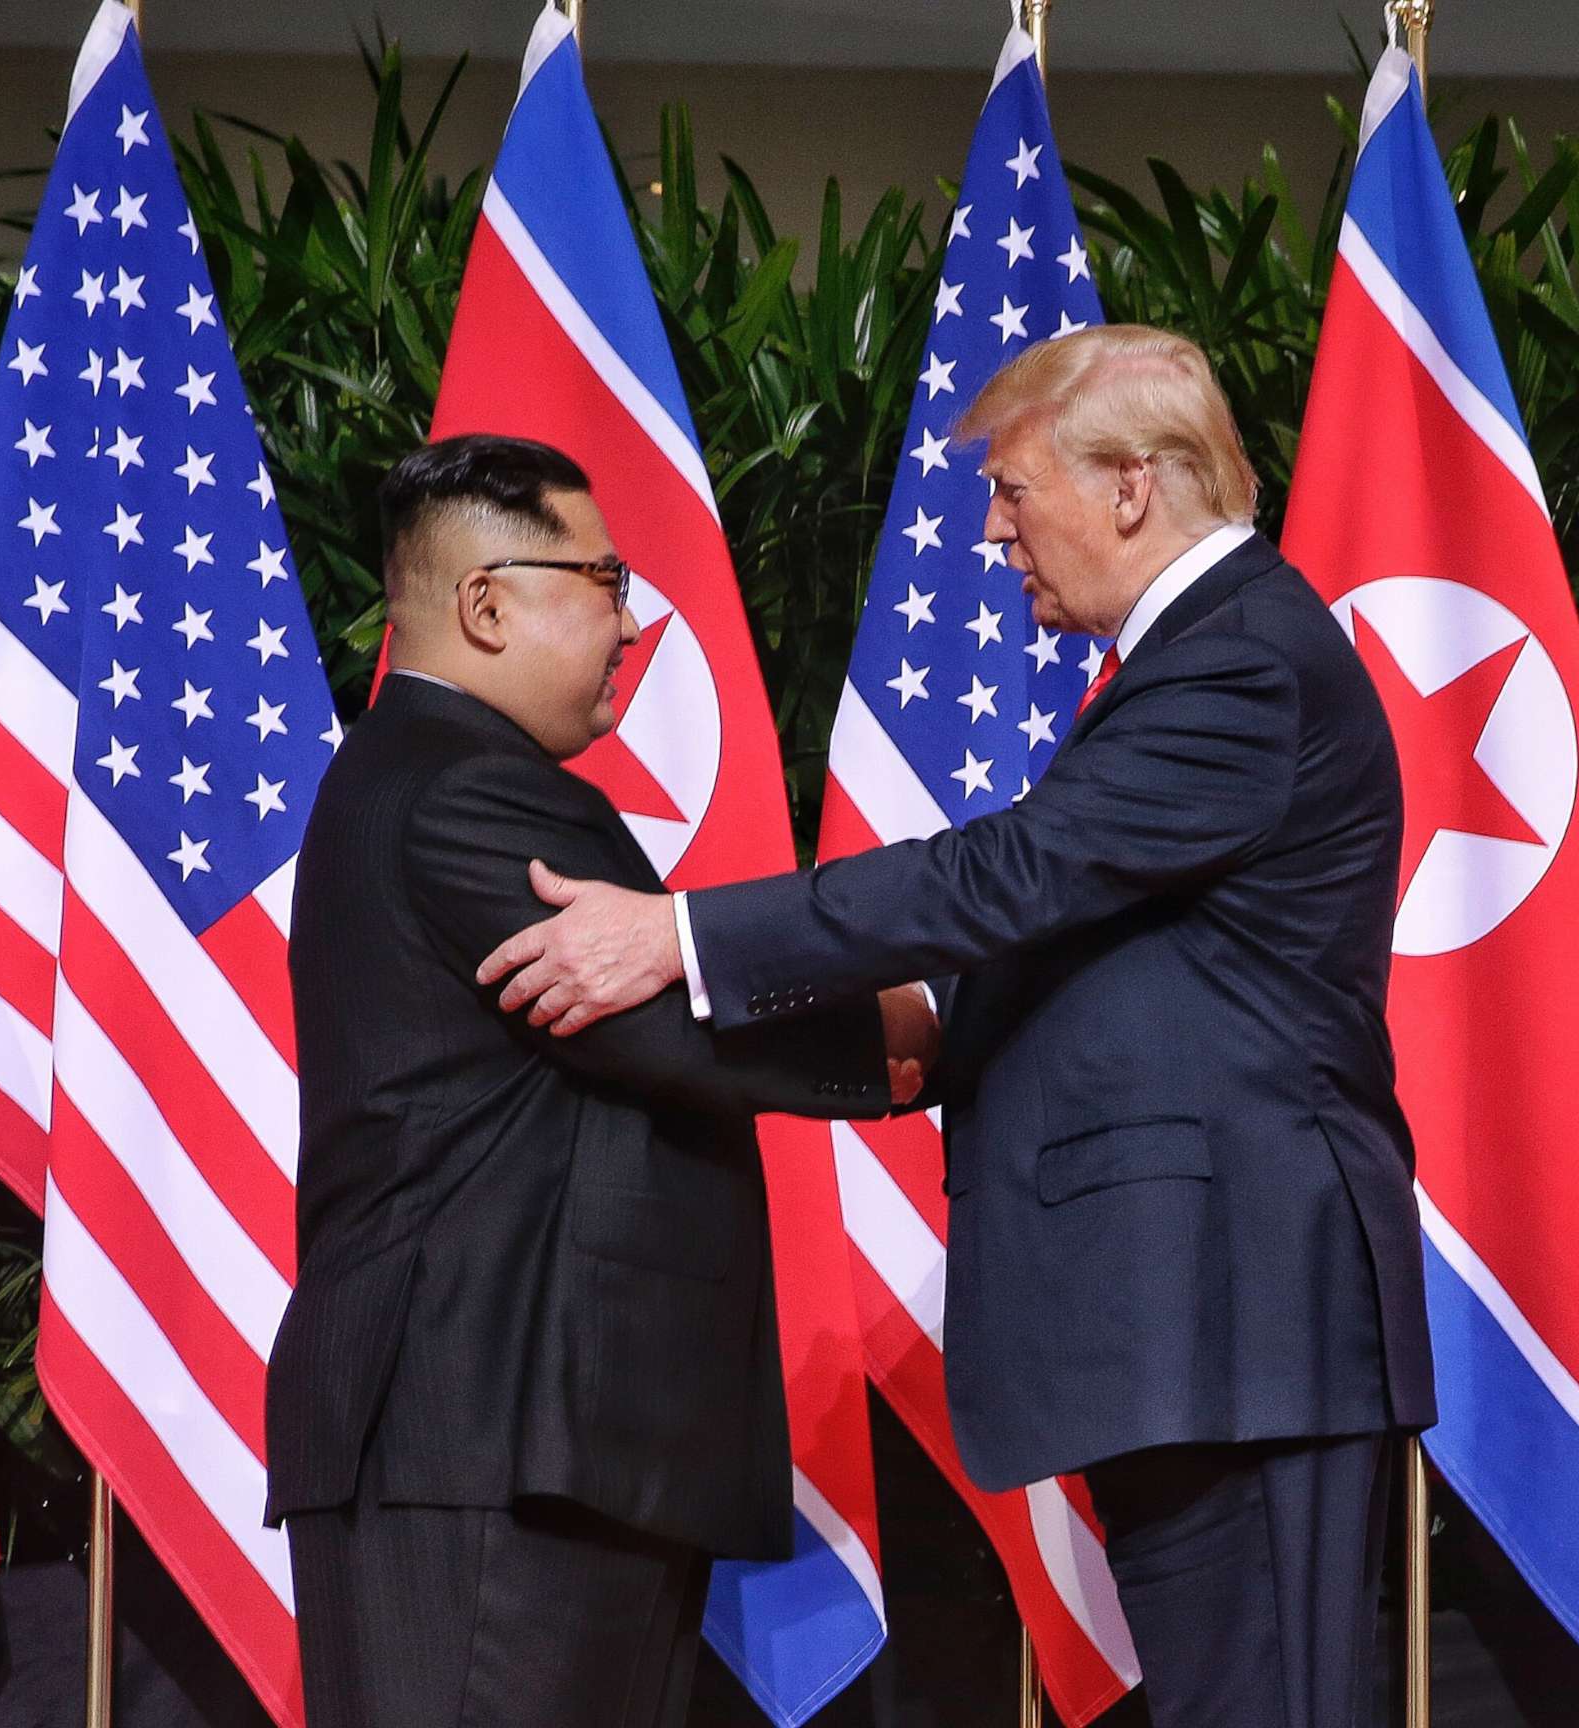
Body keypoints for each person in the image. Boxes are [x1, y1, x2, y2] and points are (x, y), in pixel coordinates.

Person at [475, 327, 1435, 1728]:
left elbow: (1012, 876)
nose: (992, 528)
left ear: (1129, 487)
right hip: (1207, 1317)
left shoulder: (1242, 663)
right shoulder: (1200, 661)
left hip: (1242, 1311)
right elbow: (1120, 943)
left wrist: (673, 933)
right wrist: (931, 1034)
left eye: (1015, 489)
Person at [262, 433, 929, 1728]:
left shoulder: (422, 776)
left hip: (509, 1445)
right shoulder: (462, 788)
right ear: (487, 603)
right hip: (487, 1441)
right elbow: (667, 1019)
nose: (632, 625)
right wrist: (927, 1029)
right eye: (607, 582)